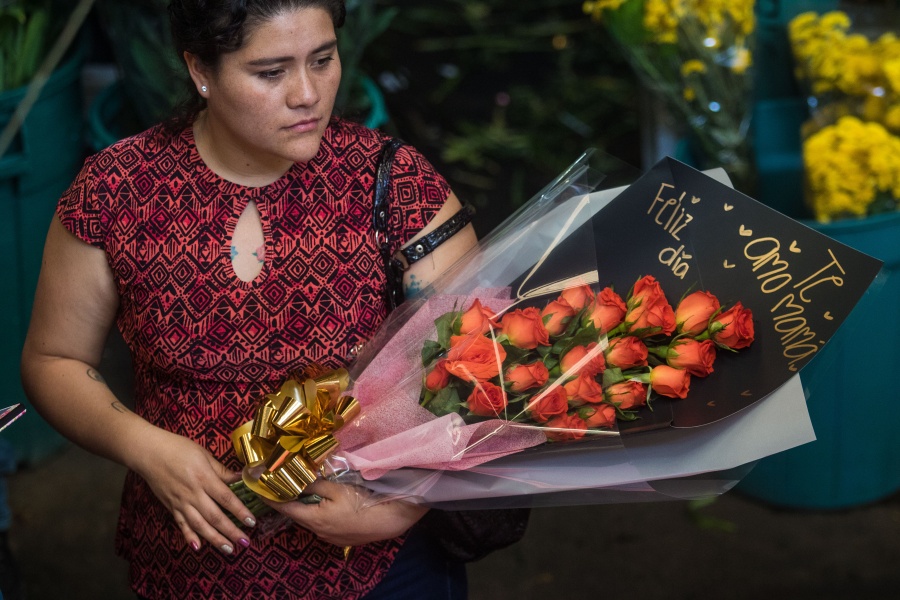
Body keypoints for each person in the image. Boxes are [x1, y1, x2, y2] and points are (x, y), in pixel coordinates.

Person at [19, 1, 477, 598]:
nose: (308, 93)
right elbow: (53, 360)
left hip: (382, 564)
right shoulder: (119, 191)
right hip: (191, 559)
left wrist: (405, 503)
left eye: (323, 59)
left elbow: (477, 364)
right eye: (271, 72)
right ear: (200, 69)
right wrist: (147, 448)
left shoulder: (397, 185)